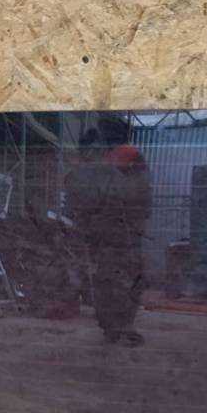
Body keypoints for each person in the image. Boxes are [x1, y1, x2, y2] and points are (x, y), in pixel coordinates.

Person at [68, 118, 151, 346]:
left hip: (115, 230)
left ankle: (115, 327)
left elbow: (97, 196)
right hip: (120, 230)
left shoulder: (119, 157)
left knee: (113, 279)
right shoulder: (125, 158)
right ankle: (118, 327)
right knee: (120, 279)